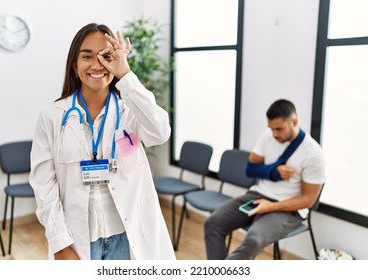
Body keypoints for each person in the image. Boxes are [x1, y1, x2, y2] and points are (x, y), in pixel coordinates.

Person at [29, 23, 175, 260]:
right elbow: (44, 185)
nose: (97, 65)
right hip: (78, 239)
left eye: (106, 57)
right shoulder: (52, 116)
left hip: (128, 236)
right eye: (87, 56)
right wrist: (60, 244)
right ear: (75, 66)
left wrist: (125, 75)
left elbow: (160, 132)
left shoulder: (131, 110)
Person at [204, 99, 325, 260]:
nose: (274, 134)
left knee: (253, 239)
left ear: (294, 121)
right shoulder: (268, 136)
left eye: (279, 129)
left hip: (289, 208)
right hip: (258, 195)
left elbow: (308, 200)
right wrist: (273, 172)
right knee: (212, 224)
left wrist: (271, 207)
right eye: (271, 128)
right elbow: (250, 169)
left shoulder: (313, 153)